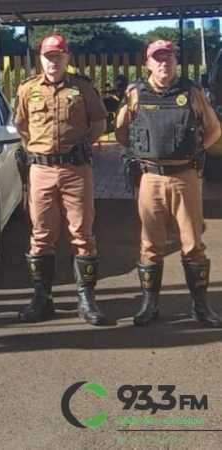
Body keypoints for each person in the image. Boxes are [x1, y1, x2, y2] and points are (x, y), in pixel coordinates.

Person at [114, 40, 222, 327]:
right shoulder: (135, 93)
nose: (164, 63)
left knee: (193, 244)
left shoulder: (192, 92)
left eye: (169, 58)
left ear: (176, 62)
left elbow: (213, 130)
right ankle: (150, 305)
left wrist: (196, 152)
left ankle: (200, 306)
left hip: (185, 177)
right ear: (147, 63)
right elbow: (122, 133)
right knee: (150, 244)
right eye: (158, 58)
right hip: (150, 178)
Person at [13, 34, 108, 325]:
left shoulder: (82, 88)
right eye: (48, 56)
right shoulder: (28, 89)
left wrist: (82, 146)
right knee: (41, 235)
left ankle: (86, 298)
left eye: (58, 55)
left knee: (82, 233)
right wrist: (41, 149)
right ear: (40, 59)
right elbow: (22, 126)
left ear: (67, 57)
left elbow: (100, 122)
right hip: (41, 170)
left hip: (75, 170)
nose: (53, 61)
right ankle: (42, 298)